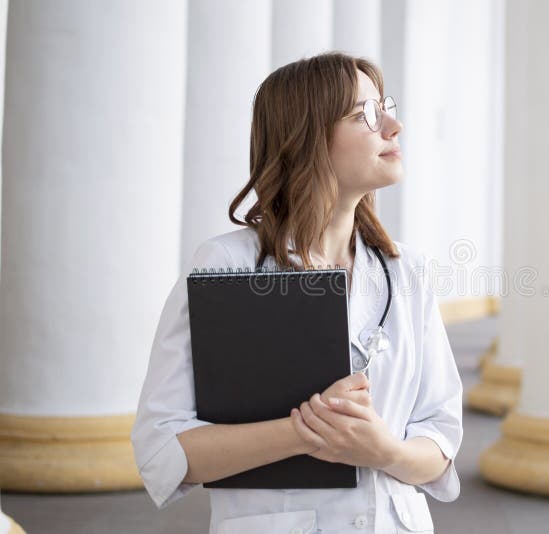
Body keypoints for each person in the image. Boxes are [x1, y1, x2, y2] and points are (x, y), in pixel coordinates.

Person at [131, 51, 463, 534]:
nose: (394, 125)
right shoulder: (227, 266)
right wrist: (304, 432)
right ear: (305, 139)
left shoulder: (406, 271)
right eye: (364, 114)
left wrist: (382, 450)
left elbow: (440, 446)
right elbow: (163, 449)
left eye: (385, 106)